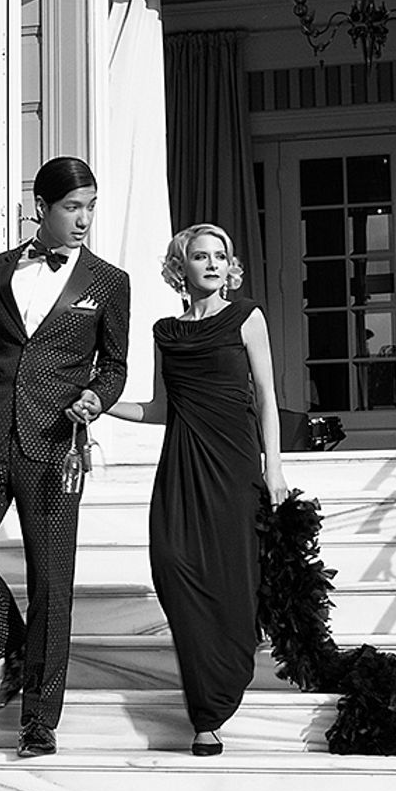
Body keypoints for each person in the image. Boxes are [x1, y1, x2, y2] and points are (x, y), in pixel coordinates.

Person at [0, 156, 131, 758]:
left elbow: (116, 366)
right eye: (73, 207)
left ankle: (39, 721)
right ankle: (17, 646)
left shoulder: (109, 282)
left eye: (90, 207)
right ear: (42, 208)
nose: (84, 219)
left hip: (54, 445)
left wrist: (96, 398)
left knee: (51, 582)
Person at [106, 223, 284, 755]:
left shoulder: (247, 317)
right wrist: (101, 403)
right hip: (182, 466)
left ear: (230, 267)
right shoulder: (167, 332)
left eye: (219, 257)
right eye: (200, 256)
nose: (211, 264)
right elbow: (160, 408)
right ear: (179, 267)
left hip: (234, 465)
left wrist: (273, 468)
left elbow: (267, 398)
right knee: (172, 565)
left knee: (233, 577)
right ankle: (207, 684)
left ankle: (208, 714)